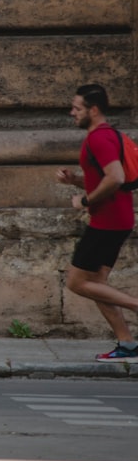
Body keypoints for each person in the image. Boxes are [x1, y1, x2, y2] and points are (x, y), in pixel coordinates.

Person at [55, 84, 138, 362]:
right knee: (97, 283)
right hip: (118, 218)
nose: (72, 113)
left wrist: (86, 201)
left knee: (77, 283)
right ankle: (127, 346)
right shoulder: (107, 135)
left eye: (77, 108)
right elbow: (106, 176)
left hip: (107, 221)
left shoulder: (99, 139)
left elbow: (114, 178)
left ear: (94, 109)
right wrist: (75, 181)